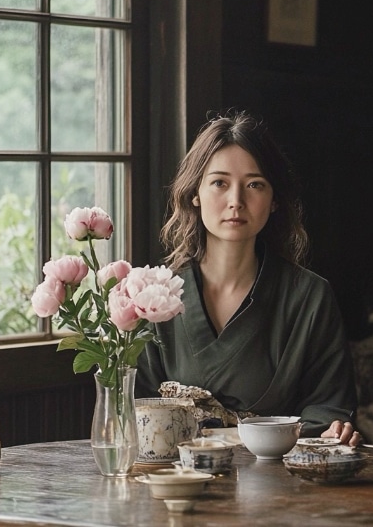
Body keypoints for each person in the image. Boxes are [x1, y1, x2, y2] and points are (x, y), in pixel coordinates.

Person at [137, 111, 360, 446]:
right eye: (219, 183)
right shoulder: (155, 297)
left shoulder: (309, 297)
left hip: (276, 483)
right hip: (176, 481)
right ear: (194, 194)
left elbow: (328, 409)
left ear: (274, 201)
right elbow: (136, 408)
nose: (236, 202)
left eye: (255, 185)